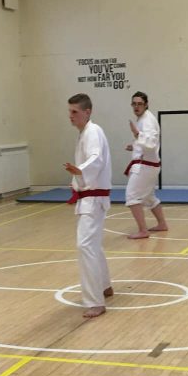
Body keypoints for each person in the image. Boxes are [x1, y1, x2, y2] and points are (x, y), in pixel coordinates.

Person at [65, 93, 113, 318]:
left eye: (74, 112)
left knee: (85, 245)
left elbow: (96, 159)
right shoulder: (86, 132)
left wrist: (80, 171)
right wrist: (77, 179)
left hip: (93, 200)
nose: (70, 116)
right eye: (69, 111)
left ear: (87, 112)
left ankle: (95, 301)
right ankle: (104, 285)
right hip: (91, 199)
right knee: (92, 244)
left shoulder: (92, 131)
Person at [124, 91, 168, 239]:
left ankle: (143, 230)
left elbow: (151, 143)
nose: (136, 106)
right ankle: (162, 224)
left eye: (140, 104)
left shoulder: (147, 120)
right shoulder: (144, 118)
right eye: (134, 104)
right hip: (149, 165)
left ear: (146, 104)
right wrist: (135, 146)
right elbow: (146, 143)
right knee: (148, 197)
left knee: (132, 195)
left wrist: (137, 135)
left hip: (146, 166)